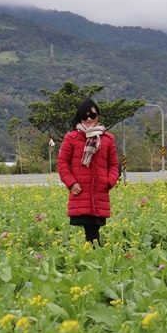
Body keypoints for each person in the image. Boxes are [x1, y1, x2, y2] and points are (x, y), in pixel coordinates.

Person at [56, 98, 119, 245]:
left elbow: (114, 165)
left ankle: (92, 256)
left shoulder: (108, 139)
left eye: (92, 115)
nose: (89, 118)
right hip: (81, 190)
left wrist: (109, 181)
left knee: (94, 225)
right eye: (85, 116)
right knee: (90, 228)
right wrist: (71, 183)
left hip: (99, 190)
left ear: (98, 116)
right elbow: (62, 163)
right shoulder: (71, 138)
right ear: (80, 117)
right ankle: (95, 256)